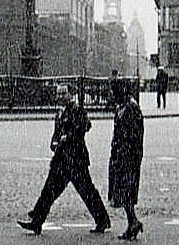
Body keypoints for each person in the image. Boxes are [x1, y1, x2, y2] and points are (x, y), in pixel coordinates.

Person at [19, 84, 111, 235]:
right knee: (49, 190)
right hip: (61, 160)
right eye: (58, 94)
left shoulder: (77, 110)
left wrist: (68, 137)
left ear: (70, 94)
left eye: (63, 93)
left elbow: (84, 127)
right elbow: (56, 134)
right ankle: (37, 220)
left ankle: (102, 220)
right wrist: (54, 143)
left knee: (87, 191)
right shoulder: (60, 113)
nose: (60, 96)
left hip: (75, 160)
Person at [108, 79, 145, 241]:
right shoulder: (123, 107)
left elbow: (133, 135)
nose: (112, 97)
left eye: (114, 93)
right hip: (121, 155)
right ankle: (132, 222)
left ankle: (133, 222)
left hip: (128, 156)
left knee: (126, 189)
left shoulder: (131, 108)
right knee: (122, 190)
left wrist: (124, 152)